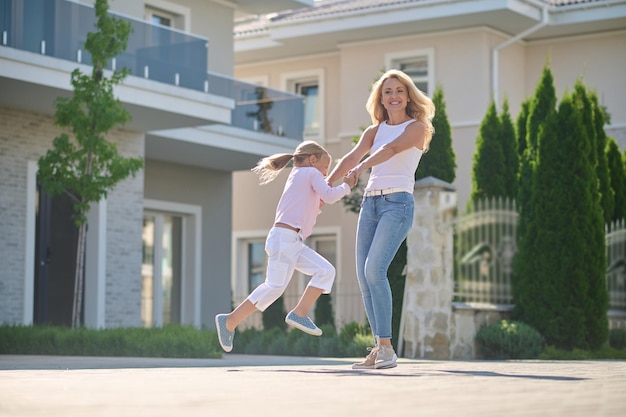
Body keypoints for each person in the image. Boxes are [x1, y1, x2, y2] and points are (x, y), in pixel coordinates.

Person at [326, 69, 435, 369]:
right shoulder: (374, 131)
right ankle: (378, 348)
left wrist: (361, 168)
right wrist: (323, 190)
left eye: (400, 90)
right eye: (388, 91)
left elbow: (391, 150)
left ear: (408, 95)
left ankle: (387, 348)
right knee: (363, 277)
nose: (394, 96)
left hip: (397, 203)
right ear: (381, 98)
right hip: (370, 204)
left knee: (375, 269)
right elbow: (348, 158)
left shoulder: (418, 128)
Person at [215, 141, 357, 353]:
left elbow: (315, 202)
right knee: (274, 287)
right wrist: (346, 186)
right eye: (325, 167)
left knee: (326, 271)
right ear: (312, 159)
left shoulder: (299, 176)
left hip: (291, 241)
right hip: (286, 239)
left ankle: (300, 312)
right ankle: (230, 321)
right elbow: (328, 195)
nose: (325, 173)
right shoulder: (310, 173)